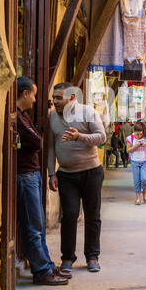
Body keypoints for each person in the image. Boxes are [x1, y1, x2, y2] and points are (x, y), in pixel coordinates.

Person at [48, 82, 106, 273]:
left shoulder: (87, 112)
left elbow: (101, 137)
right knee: (70, 216)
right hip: (66, 174)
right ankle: (67, 258)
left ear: (71, 98)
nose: (54, 101)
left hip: (91, 172)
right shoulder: (51, 117)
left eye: (58, 98)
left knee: (92, 216)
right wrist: (51, 173)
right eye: (54, 98)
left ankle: (92, 257)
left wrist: (79, 136)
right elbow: (50, 147)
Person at [16, 77, 69, 286]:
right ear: (26, 94)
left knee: (37, 225)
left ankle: (45, 265)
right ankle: (41, 271)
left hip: (31, 174)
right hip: (26, 175)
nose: (36, 100)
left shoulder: (23, 116)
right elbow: (37, 141)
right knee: (33, 226)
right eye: (35, 94)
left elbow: (36, 140)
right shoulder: (18, 118)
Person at [126, 122, 146, 205]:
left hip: (144, 161)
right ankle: (138, 197)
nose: (139, 135)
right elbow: (128, 150)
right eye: (137, 133)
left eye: (141, 133)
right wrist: (136, 146)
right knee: (137, 180)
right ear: (134, 131)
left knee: (144, 179)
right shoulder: (130, 138)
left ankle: (145, 192)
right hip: (134, 162)